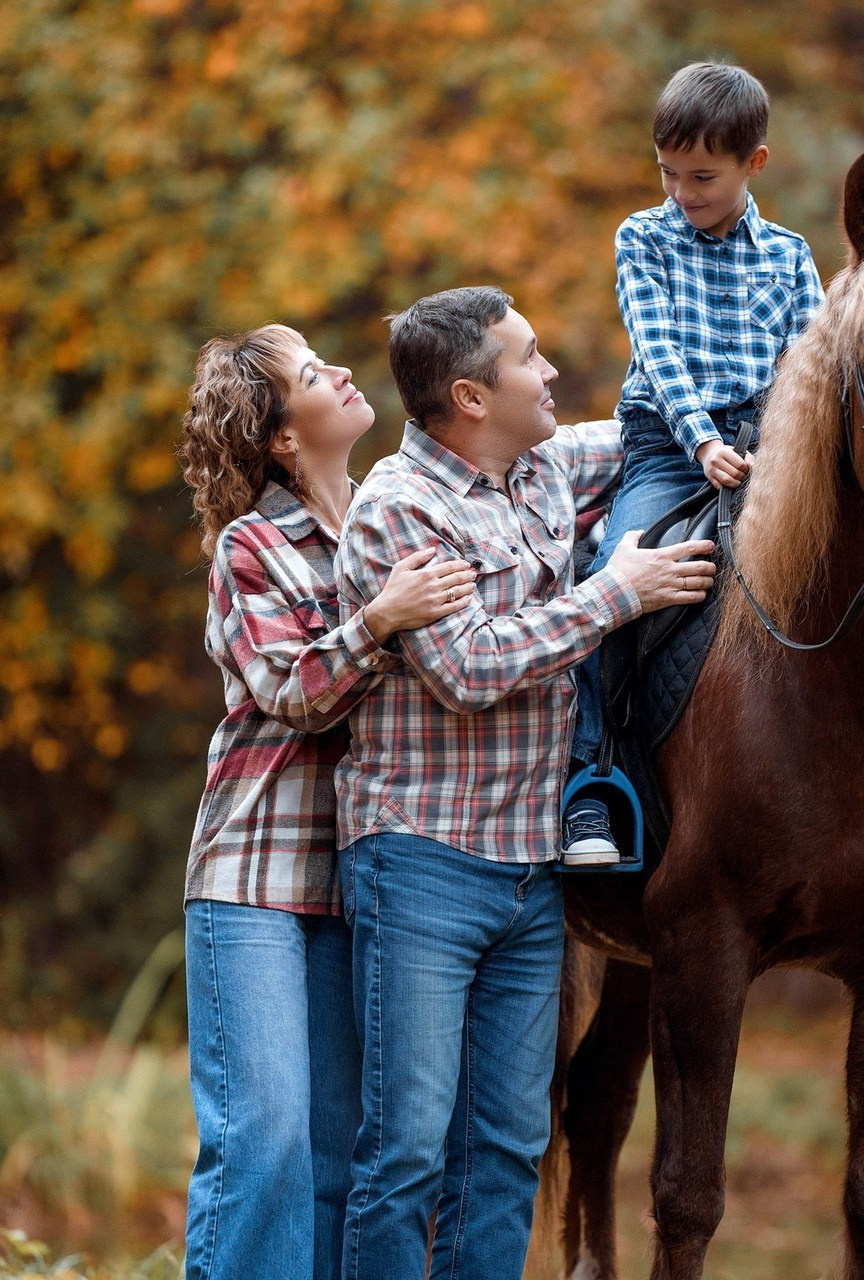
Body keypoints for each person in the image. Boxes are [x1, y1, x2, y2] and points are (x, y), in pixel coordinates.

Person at [564, 60, 864, 863]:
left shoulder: (789, 255)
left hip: (770, 445)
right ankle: (596, 778)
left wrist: (777, 450)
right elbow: (657, 350)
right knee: (622, 571)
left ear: (754, 164)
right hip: (670, 444)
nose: (683, 191)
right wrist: (702, 440)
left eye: (703, 176)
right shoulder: (641, 238)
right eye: (669, 173)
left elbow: (811, 362)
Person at [331, 286, 716, 1280]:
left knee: (505, 1145)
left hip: (530, 876)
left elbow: (642, 429)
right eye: (529, 358)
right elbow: (466, 669)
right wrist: (611, 596)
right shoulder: (396, 506)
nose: (550, 374)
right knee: (408, 1150)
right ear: (469, 393)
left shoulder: (547, 465)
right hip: (420, 863)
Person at [178, 324, 476, 1280]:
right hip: (256, 875)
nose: (344, 372)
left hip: (366, 882)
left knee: (342, 1155)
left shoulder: (396, 518)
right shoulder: (250, 546)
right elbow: (295, 693)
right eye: (313, 374)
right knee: (264, 1144)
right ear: (278, 437)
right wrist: (383, 618)